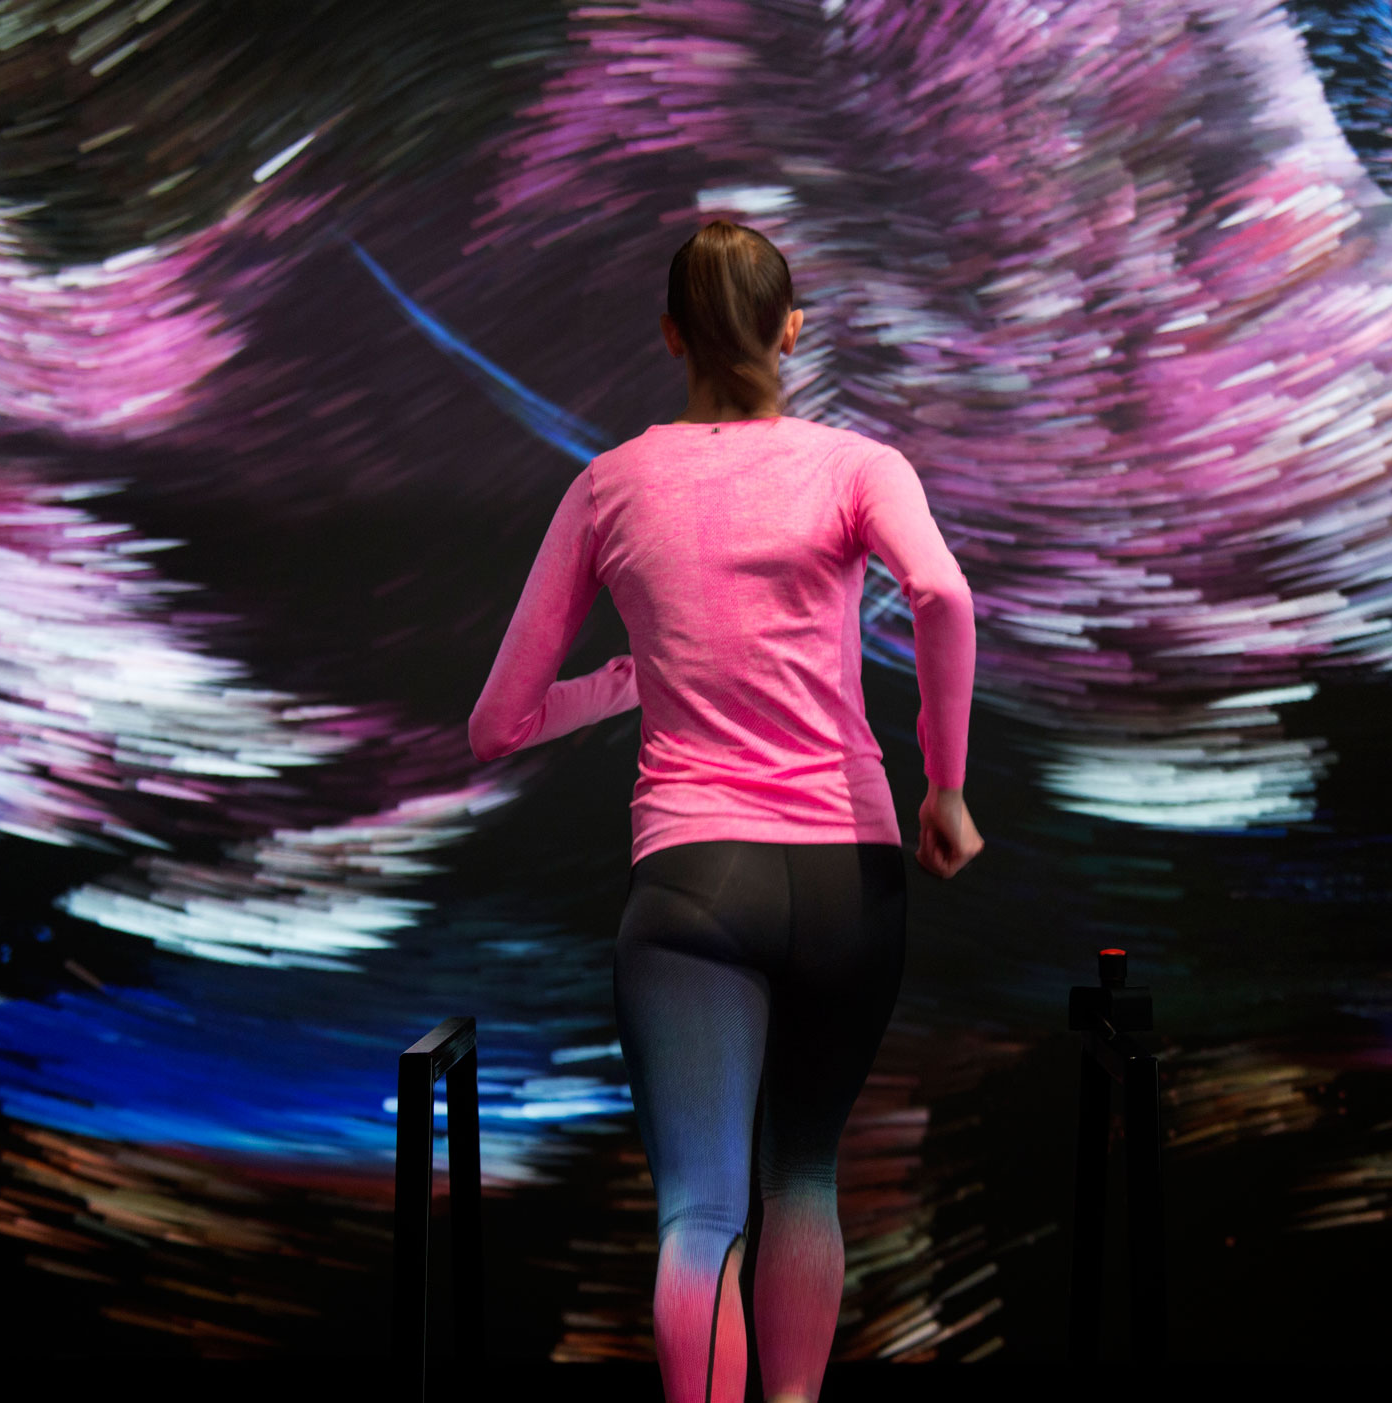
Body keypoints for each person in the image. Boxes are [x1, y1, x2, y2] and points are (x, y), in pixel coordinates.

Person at [469, 220, 981, 1403]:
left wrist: (623, 681)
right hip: (850, 875)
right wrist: (945, 785)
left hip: (697, 882)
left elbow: (496, 723)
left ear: (670, 337)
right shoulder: (859, 466)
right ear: (792, 330)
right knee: (802, 1176)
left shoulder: (608, 485)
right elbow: (943, 594)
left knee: (701, 1214)